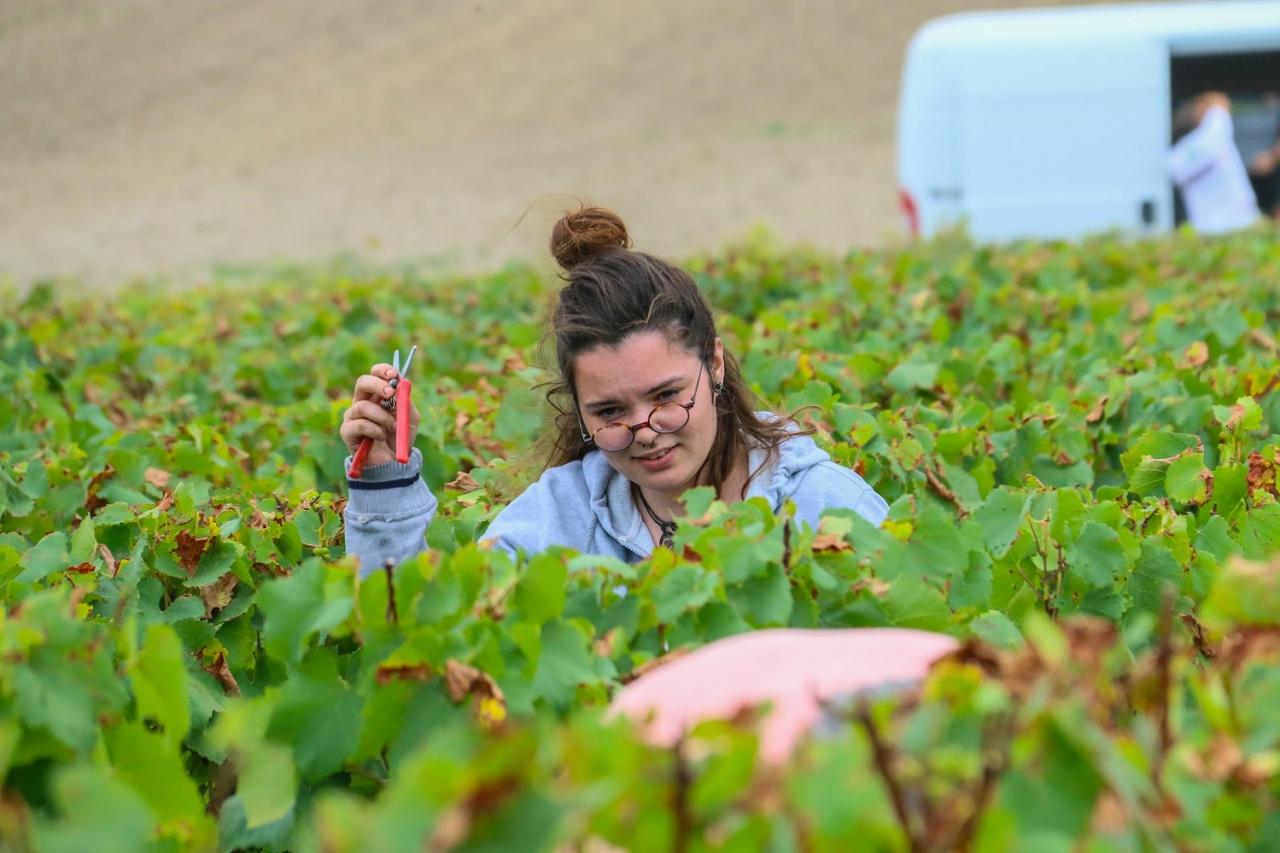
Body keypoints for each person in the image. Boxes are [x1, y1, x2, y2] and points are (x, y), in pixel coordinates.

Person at [339, 206, 889, 575]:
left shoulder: (824, 506)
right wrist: (385, 480)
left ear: (715, 364)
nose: (646, 431)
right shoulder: (558, 520)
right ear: (577, 412)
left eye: (667, 396)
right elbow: (418, 639)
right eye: (610, 411)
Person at [1168, 92, 1260, 234]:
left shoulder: (1186, 151)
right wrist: (1213, 105)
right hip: (1225, 228)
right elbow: (1219, 110)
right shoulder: (1205, 141)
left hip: (1222, 226)